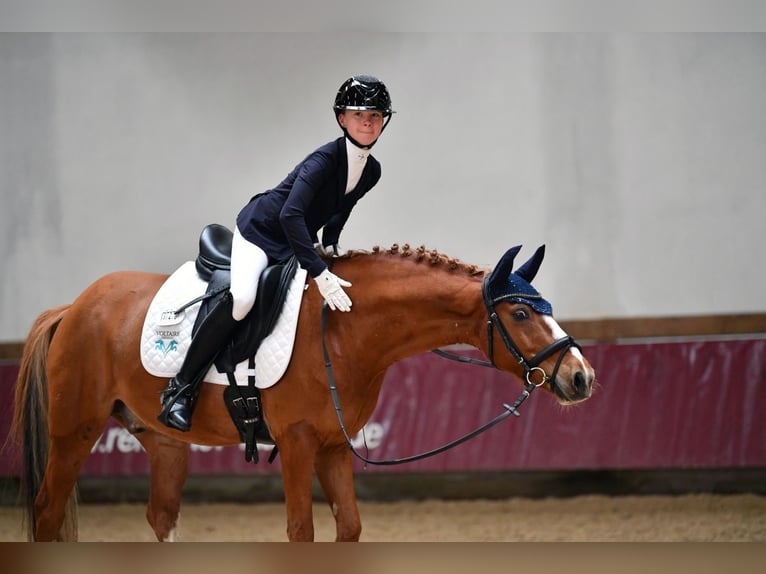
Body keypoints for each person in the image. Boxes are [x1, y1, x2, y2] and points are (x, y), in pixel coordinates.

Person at [158, 74, 394, 432]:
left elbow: (341, 208)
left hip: (292, 239)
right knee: (242, 299)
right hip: (261, 232)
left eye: (376, 115)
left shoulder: (371, 170)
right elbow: (289, 214)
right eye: (358, 113)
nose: (367, 121)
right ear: (341, 118)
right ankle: (180, 389)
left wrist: (331, 245)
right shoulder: (323, 161)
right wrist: (318, 270)